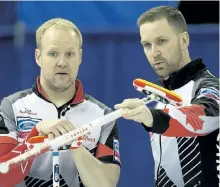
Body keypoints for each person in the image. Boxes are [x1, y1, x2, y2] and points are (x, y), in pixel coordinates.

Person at [0, 18, 120, 187]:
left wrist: (76, 144)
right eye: (53, 53)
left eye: (69, 54)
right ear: (38, 57)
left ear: (80, 57)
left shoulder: (103, 116)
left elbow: (106, 184)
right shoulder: (11, 107)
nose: (62, 62)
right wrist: (35, 135)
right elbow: (2, 177)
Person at [115, 6, 219, 187]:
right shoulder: (160, 102)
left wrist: (150, 117)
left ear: (184, 40)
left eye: (161, 41)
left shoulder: (209, 86)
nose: (154, 53)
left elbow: (201, 117)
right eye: (147, 45)